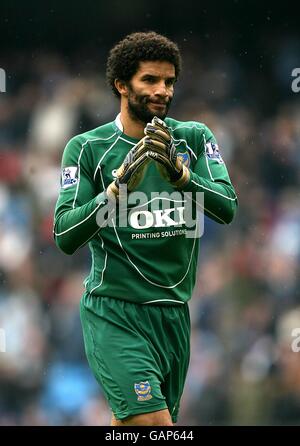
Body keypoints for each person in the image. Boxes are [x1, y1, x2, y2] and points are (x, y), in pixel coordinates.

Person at [53, 31, 238, 426]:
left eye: (169, 82)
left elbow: (227, 208)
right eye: (150, 80)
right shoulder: (87, 148)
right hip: (116, 312)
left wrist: (182, 177)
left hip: (173, 316)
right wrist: (114, 193)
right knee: (154, 425)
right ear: (121, 84)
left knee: (135, 426)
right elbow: (64, 235)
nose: (163, 91)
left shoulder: (193, 138)